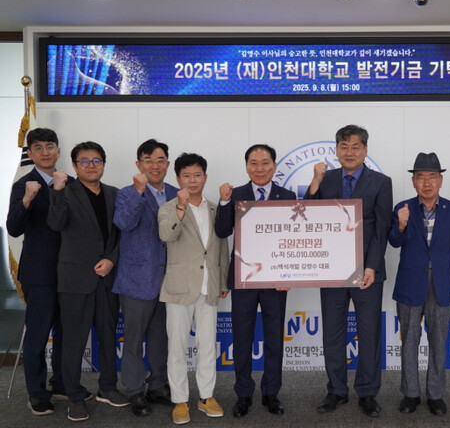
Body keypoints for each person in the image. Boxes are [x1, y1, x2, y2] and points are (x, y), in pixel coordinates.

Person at [304, 124, 392, 417]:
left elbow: (381, 228)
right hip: (332, 270)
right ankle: (336, 390)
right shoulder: (325, 179)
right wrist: (314, 183)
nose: (350, 152)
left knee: (369, 334)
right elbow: (306, 218)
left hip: (367, 271)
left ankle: (367, 392)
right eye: (344, 147)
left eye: (355, 147)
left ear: (365, 150)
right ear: (336, 150)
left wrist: (372, 266)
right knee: (332, 333)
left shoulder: (381, 182)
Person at [47, 141, 128, 422]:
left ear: (103, 164)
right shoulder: (64, 192)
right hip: (75, 279)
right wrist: (57, 190)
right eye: (84, 161)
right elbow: (55, 224)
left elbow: (122, 235)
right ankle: (74, 396)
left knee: (108, 337)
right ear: (74, 165)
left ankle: (108, 387)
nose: (91, 166)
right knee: (73, 340)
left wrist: (112, 260)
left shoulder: (115, 194)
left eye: (96, 161)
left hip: (107, 278)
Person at [215, 144, 296, 418]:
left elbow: (293, 240)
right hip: (244, 278)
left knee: (274, 338)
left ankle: (271, 393)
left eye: (265, 163)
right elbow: (222, 231)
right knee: (242, 337)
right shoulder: (235, 194)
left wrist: (290, 273)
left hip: (276, 279)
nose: (259, 168)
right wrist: (224, 202)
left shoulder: (287, 196)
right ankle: (243, 394)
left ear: (274, 166)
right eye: (253, 163)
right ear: (246, 166)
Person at [388, 152, 450, 416]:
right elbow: (394, 242)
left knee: (438, 343)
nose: (427, 182)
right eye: (420, 177)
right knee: (409, 342)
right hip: (410, 285)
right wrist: (401, 225)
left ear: (440, 180)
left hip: (443, 285)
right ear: (413, 181)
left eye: (432, 176)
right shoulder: (403, 207)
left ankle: (435, 395)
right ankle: (410, 394)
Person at [6, 128, 75, 416]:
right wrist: (26, 200)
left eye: (49, 146)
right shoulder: (23, 185)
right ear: (30, 153)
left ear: (58, 150)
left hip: (70, 271)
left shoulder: (71, 183)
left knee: (66, 333)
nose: (45, 152)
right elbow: (13, 228)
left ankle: (61, 385)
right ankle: (36, 392)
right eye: (38, 147)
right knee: (37, 335)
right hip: (39, 273)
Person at [158, 153, 229, 425]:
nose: (192, 180)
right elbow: (166, 235)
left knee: (207, 345)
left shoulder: (215, 209)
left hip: (209, 286)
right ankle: (179, 399)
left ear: (205, 177)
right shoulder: (168, 208)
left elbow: (221, 247)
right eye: (186, 176)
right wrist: (180, 207)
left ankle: (206, 396)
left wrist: (223, 281)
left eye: (197, 175)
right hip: (179, 288)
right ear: (178, 179)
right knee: (176, 347)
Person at [112, 139, 178, 416]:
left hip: (170, 280)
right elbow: (124, 223)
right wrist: (139, 192)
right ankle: (135, 390)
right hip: (137, 279)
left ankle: (158, 385)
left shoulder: (178, 193)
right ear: (138, 164)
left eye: (160, 160)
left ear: (168, 164)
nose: (155, 165)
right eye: (148, 160)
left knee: (161, 338)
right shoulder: (127, 193)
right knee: (134, 339)